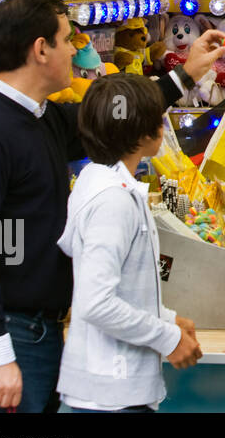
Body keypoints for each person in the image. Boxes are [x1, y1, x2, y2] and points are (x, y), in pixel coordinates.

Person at [0, 0, 225, 413]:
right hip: (6, 337)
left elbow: (116, 118)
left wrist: (185, 74)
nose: (77, 49)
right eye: (66, 40)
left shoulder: (37, 117)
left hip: (35, 334)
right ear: (40, 49)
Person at [57, 74, 203, 412]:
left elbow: (120, 288)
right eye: (158, 118)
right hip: (109, 396)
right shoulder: (113, 201)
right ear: (141, 132)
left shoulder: (101, 184)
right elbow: (96, 302)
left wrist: (166, 318)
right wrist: (167, 337)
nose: (164, 127)